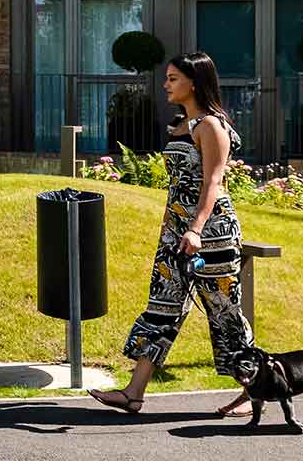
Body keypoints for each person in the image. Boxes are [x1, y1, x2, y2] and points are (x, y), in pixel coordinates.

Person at [90, 51, 256, 417]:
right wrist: (171, 229)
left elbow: (213, 182)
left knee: (224, 313)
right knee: (162, 307)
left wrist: (195, 229)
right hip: (176, 235)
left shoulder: (211, 126)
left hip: (211, 234)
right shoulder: (181, 125)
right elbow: (179, 186)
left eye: (173, 78)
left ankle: (253, 391)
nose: (165, 84)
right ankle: (133, 393)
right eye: (166, 78)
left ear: (194, 83)